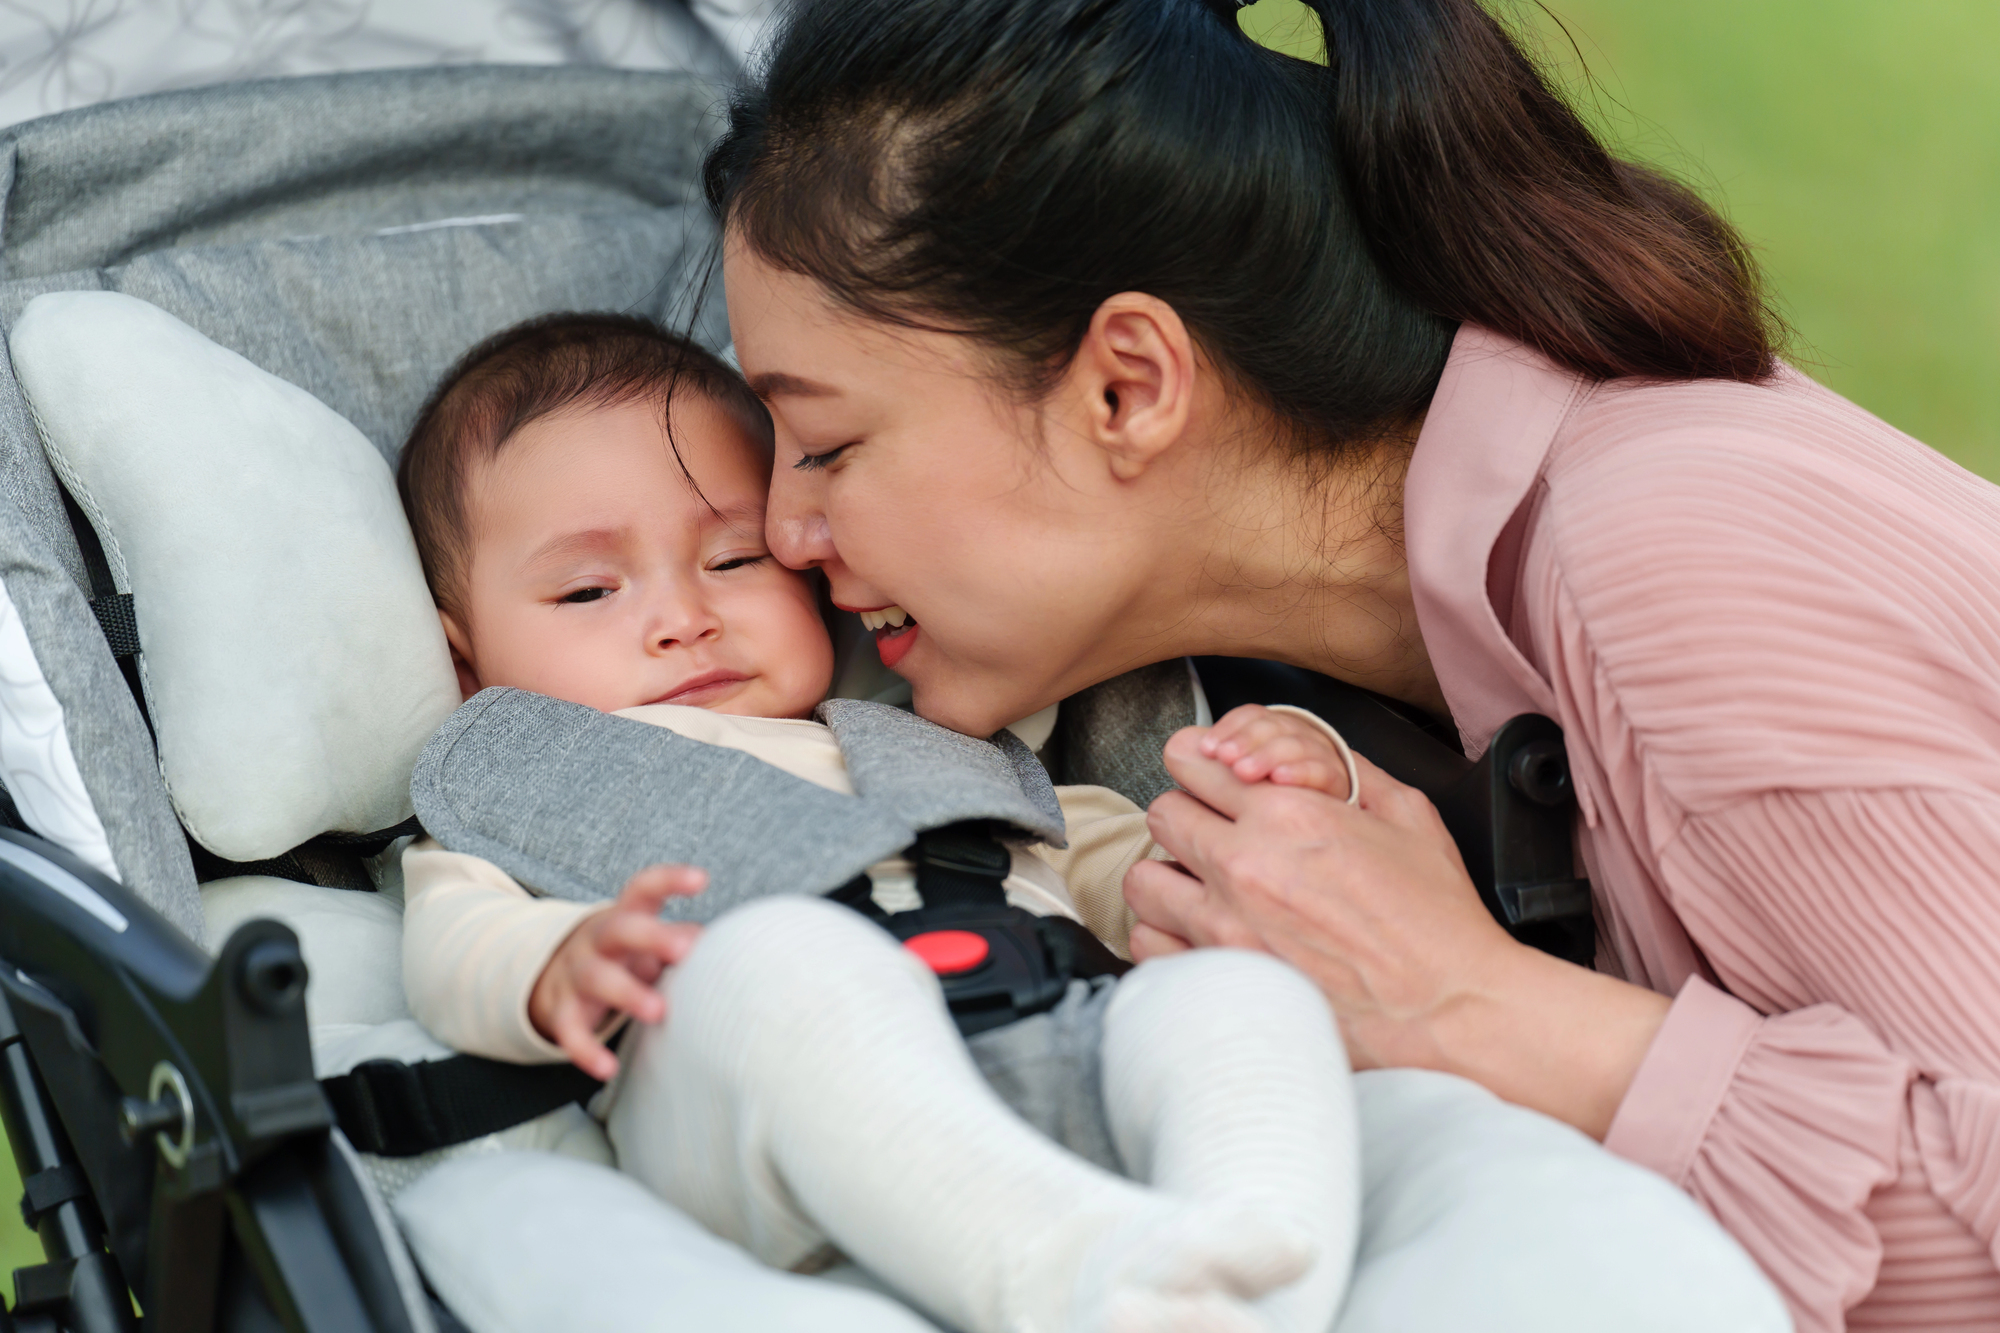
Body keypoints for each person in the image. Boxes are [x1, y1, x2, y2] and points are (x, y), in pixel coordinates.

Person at [702, 0, 2000, 1328]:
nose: (784, 533)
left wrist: (1475, 1007)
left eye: (830, 445)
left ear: (1127, 387)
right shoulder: (1383, 654)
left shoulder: (1673, 560)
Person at [391, 312, 1367, 1333]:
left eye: (732, 559)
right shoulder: (516, 797)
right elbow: (455, 946)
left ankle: (1251, 1268)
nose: (684, 615)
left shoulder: (935, 750)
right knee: (781, 961)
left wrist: (1276, 775)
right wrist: (561, 962)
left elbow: (1148, 863)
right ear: (465, 663)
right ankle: (1070, 1283)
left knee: (1233, 994)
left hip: (1035, 1040)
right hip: (753, 1132)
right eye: (590, 588)